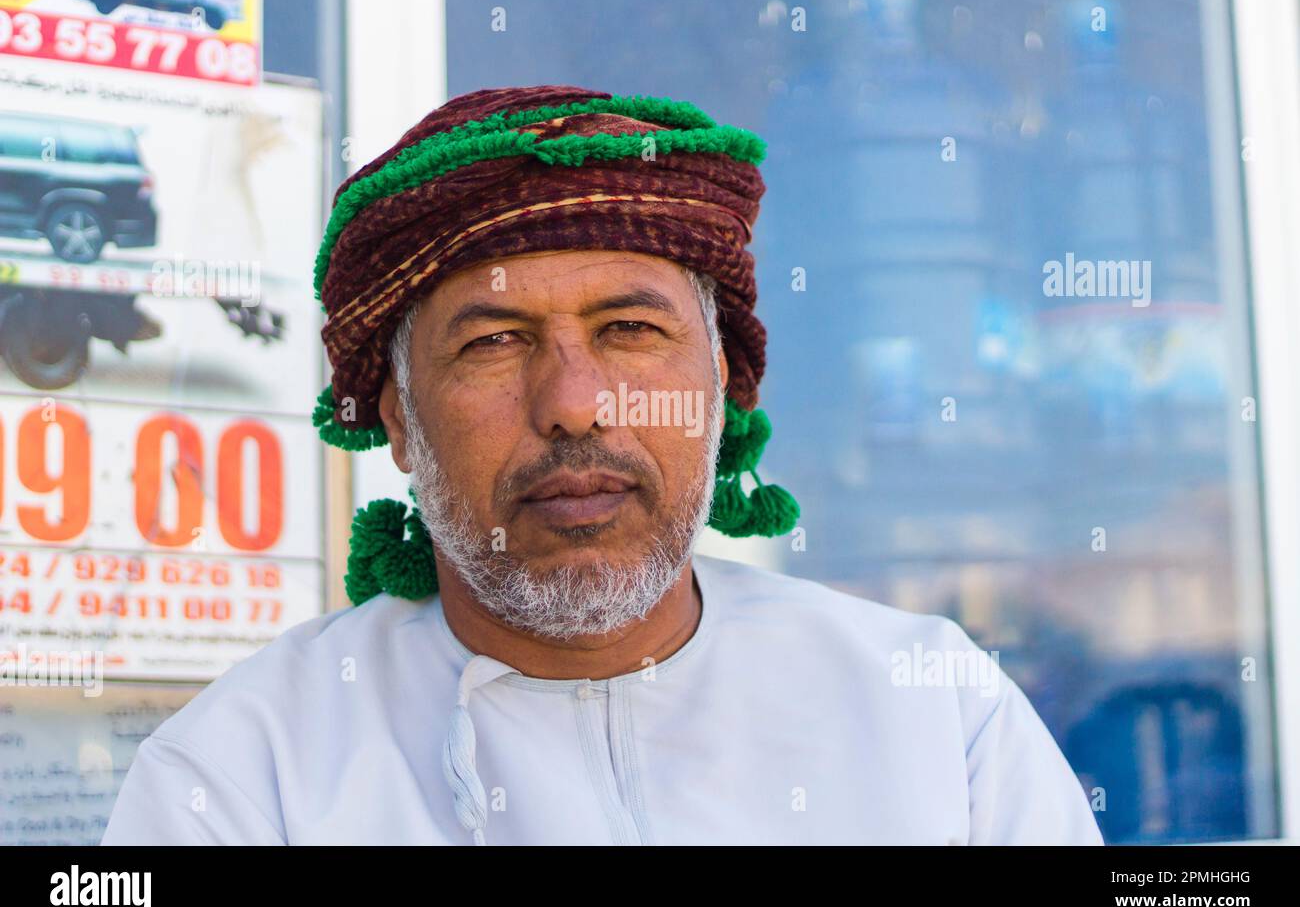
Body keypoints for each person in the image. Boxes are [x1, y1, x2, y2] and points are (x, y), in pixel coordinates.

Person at [102, 85, 1103, 845]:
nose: (574, 403)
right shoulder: (240, 777)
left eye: (628, 329)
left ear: (718, 382)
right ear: (399, 420)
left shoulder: (934, 713)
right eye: (492, 342)